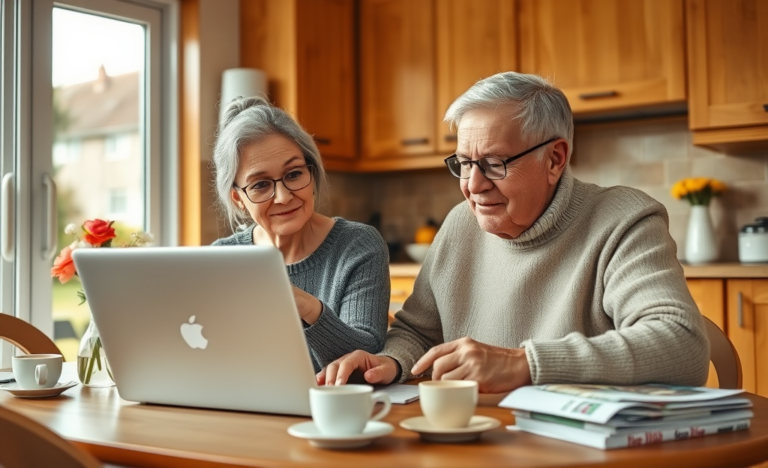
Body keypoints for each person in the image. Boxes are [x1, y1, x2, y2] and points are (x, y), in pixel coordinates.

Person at [319, 72, 710, 393]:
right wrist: (389, 362)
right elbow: (418, 332)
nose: (473, 185)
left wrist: (525, 363)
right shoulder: (460, 224)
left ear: (555, 158)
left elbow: (682, 344)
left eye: (492, 163)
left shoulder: (623, 220)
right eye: (464, 163)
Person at [211, 96, 390, 372]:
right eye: (260, 184)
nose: (283, 197)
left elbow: (366, 362)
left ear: (312, 172)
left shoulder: (358, 246)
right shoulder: (223, 258)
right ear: (238, 199)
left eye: (293, 174)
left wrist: (307, 306)